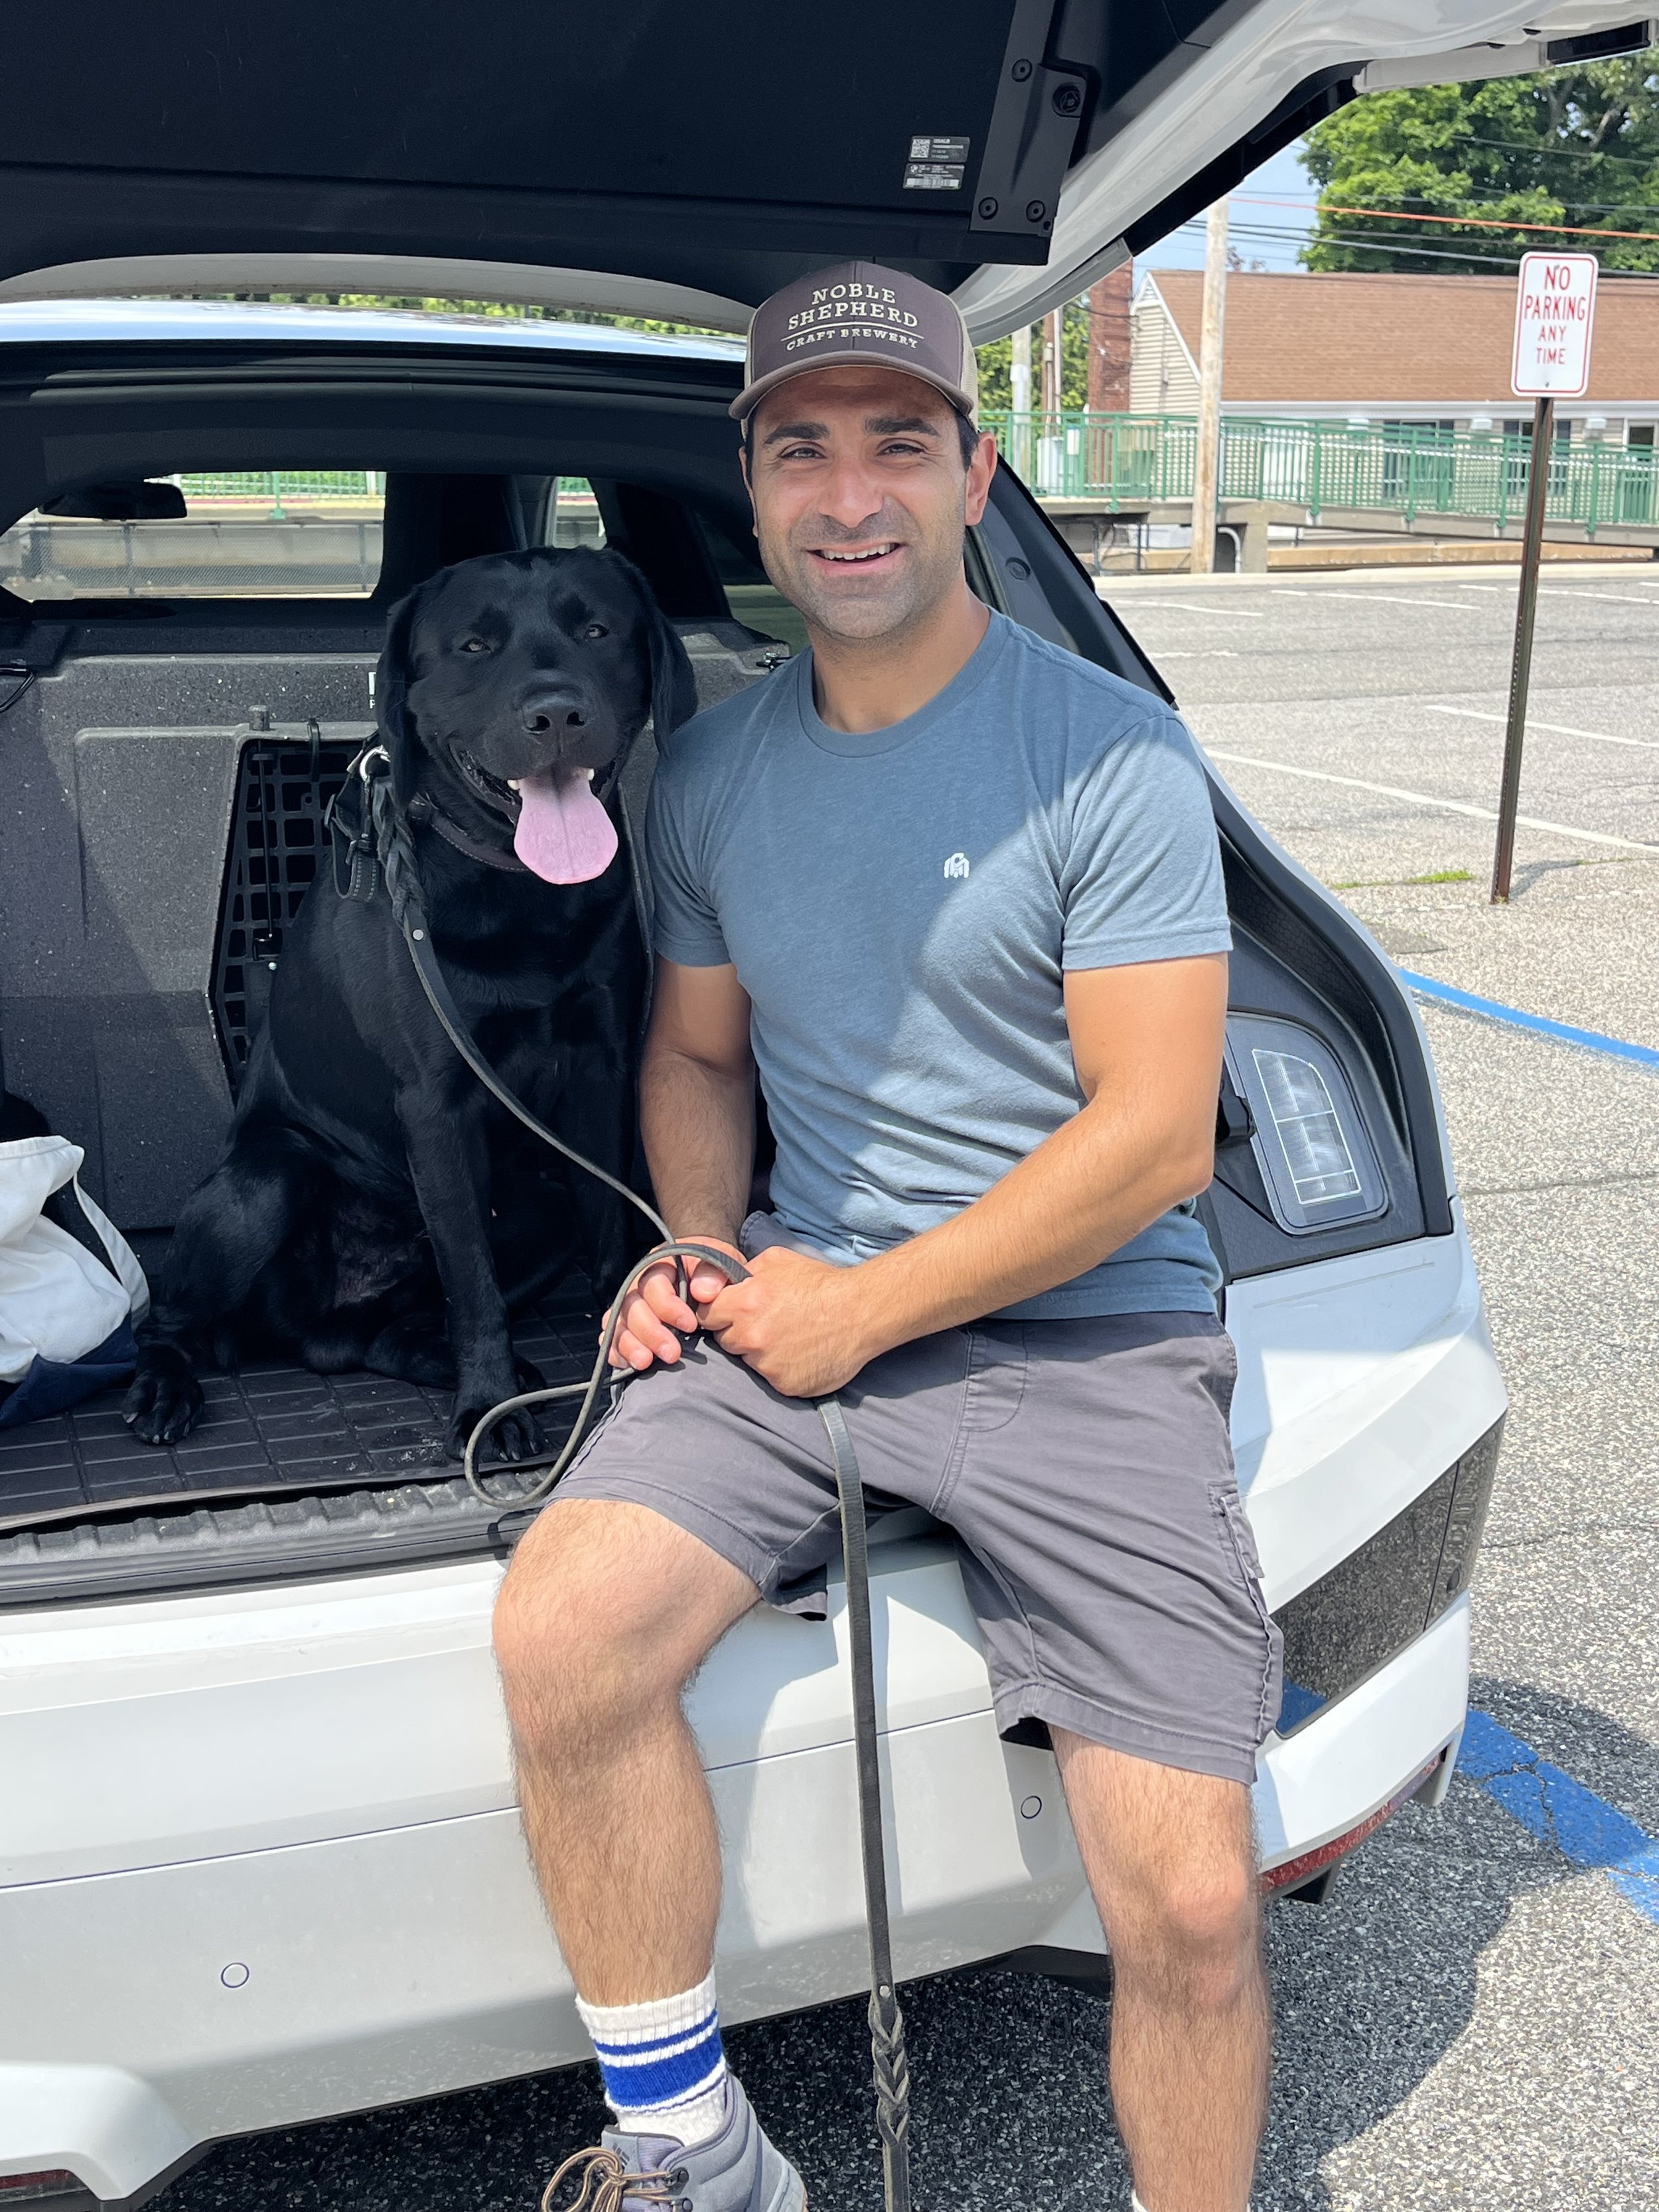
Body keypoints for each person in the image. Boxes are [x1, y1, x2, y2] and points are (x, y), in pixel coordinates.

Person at [494, 261, 1281, 2212]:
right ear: (751, 493)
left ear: (972, 472)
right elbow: (694, 1051)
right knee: (561, 1632)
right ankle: (694, 2154)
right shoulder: (711, 772)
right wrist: (694, 1243)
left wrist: (871, 1308)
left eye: (896, 445)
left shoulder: (1105, 755)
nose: (851, 496)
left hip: (1088, 1336)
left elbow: (1154, 1137)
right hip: (797, 1305)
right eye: (803, 451)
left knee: (1186, 1906)